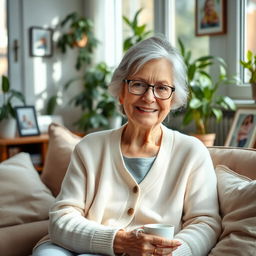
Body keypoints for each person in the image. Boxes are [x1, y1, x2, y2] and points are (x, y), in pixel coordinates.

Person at [33, 36, 221, 256]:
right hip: (84, 248)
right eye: (138, 84)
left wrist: (172, 253)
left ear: (173, 98)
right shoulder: (90, 148)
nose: (149, 97)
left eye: (161, 88)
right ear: (121, 92)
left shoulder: (191, 152)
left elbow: (205, 223)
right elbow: (62, 218)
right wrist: (118, 241)